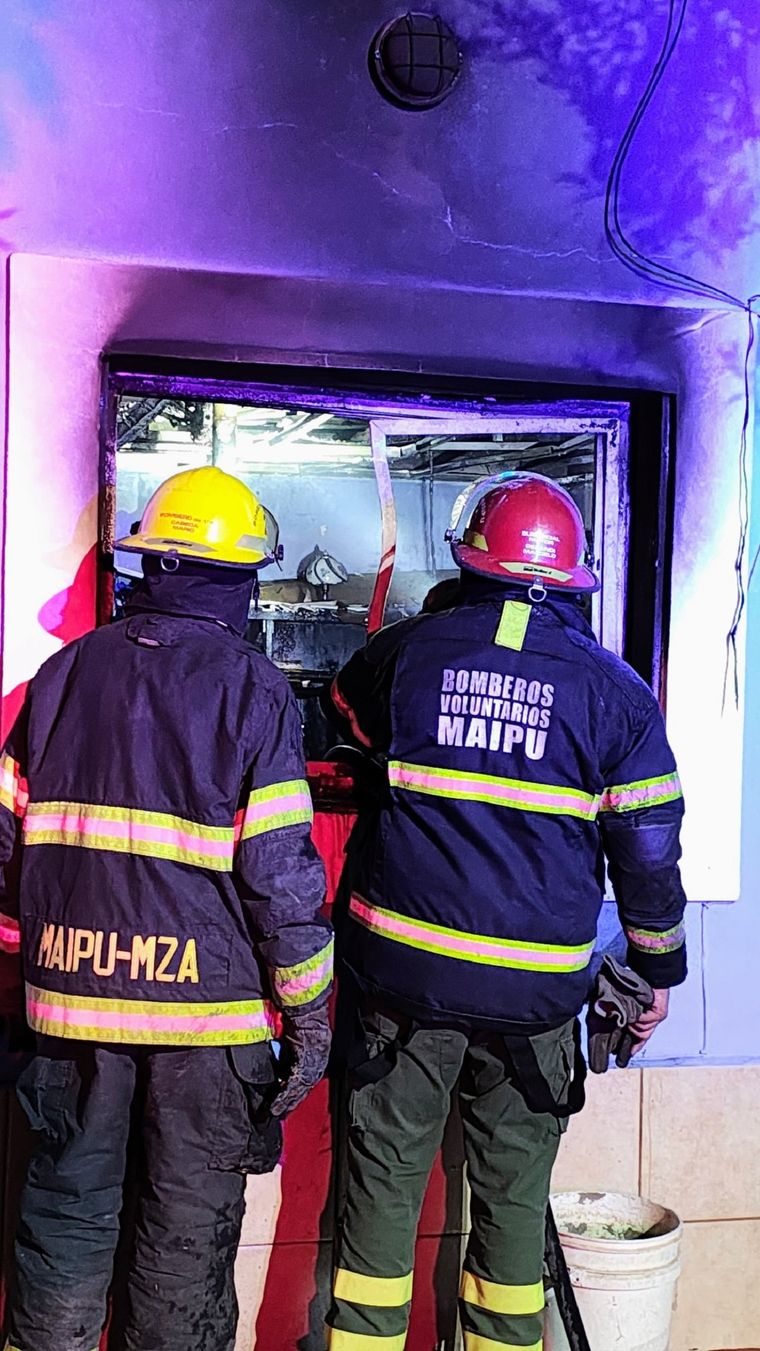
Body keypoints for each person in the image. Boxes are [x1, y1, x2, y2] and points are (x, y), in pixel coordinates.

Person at [325, 470, 686, 1351]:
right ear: (572, 582)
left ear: (470, 562)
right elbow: (648, 845)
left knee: (379, 1203)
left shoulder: (405, 654)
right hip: (534, 1004)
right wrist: (657, 970)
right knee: (514, 1218)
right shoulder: (619, 697)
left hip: (399, 988)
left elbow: (337, 720)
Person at [0, 466, 332, 1351]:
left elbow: (5, 848)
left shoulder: (62, 674)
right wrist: (310, 1013)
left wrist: (22, 971)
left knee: (62, 1230)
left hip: (70, 1020)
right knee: (182, 1250)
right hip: (204, 1028)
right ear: (241, 579)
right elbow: (281, 876)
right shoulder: (254, 690)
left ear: (152, 564)